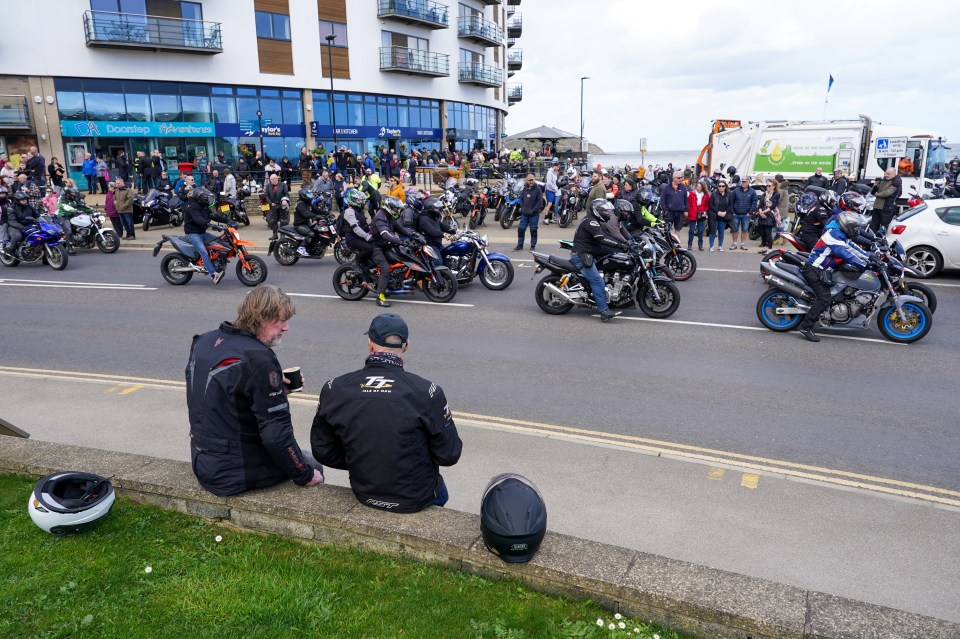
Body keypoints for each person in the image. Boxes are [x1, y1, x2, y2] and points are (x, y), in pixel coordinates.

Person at [311, 313, 461, 512]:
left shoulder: (334, 388)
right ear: (405, 346)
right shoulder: (428, 392)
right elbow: (449, 455)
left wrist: (363, 461)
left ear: (370, 344)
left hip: (364, 492)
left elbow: (323, 450)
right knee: (441, 490)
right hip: (416, 497)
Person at [186, 285, 324, 496]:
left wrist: (276, 392)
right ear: (262, 318)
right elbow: (276, 434)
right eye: (281, 320)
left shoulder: (203, 342)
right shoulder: (258, 358)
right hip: (232, 472)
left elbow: (221, 400)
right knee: (311, 463)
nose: (286, 327)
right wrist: (305, 475)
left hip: (203, 460)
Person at [797, 210, 870, 343]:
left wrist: (870, 257)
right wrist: (865, 264)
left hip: (824, 270)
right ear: (847, 226)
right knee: (825, 299)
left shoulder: (842, 234)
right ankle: (805, 327)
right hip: (815, 270)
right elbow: (846, 254)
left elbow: (853, 248)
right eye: (855, 227)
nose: (857, 230)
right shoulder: (834, 235)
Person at [571, 199, 628, 322]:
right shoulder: (591, 222)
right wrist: (620, 246)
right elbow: (601, 238)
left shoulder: (596, 221)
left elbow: (608, 236)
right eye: (605, 211)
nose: (608, 213)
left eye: (608, 210)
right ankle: (604, 311)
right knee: (597, 281)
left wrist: (626, 243)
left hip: (590, 253)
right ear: (598, 211)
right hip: (581, 255)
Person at [341, 190, 390, 308]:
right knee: (368, 248)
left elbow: (364, 225)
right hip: (352, 238)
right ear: (353, 200)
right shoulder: (349, 212)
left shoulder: (359, 210)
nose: (362, 202)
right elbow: (356, 228)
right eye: (359, 200)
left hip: (359, 236)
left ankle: (370, 269)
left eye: (362, 200)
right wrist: (368, 236)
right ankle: (357, 263)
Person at [183, 187, 229, 284]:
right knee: (204, 252)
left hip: (202, 233)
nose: (208, 200)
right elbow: (198, 219)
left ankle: (217, 261)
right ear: (200, 198)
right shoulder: (193, 206)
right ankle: (214, 275)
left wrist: (229, 221)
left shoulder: (203, 207)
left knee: (220, 240)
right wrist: (209, 225)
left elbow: (214, 215)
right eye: (206, 198)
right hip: (193, 234)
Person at [513, 174, 544, 251]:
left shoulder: (538, 189)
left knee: (533, 230)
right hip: (525, 214)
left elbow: (540, 202)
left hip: (534, 214)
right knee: (520, 229)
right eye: (530, 180)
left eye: (532, 180)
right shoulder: (525, 189)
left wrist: (533, 210)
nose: (531, 181)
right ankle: (520, 245)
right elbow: (521, 199)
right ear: (527, 180)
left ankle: (532, 246)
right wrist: (522, 208)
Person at [2, 189, 36, 256]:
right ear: (17, 201)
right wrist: (22, 227)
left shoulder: (30, 206)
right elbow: (12, 221)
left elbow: (38, 216)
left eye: (25, 199)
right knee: (17, 236)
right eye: (22, 200)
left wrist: (47, 222)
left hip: (29, 225)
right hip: (14, 226)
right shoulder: (11, 208)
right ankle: (9, 248)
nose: (24, 201)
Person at [729, 176, 758, 250]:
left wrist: (750, 212)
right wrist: (732, 212)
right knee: (734, 229)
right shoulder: (736, 191)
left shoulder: (752, 191)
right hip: (736, 214)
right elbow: (731, 202)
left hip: (746, 214)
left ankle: (743, 244)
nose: (743, 183)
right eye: (742, 181)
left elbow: (754, 202)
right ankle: (734, 243)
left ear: (748, 182)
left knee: (745, 230)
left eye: (745, 181)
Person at [869, 166, 902, 232]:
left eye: (888, 174)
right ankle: (871, 239)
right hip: (877, 206)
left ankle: (883, 240)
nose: (886, 175)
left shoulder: (896, 182)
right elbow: (872, 192)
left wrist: (876, 194)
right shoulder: (883, 180)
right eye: (885, 173)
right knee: (873, 225)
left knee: (884, 226)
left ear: (894, 174)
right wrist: (875, 184)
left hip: (887, 208)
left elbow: (886, 193)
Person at [707, 180, 732, 251]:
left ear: (725, 187)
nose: (721, 187)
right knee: (712, 231)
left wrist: (725, 212)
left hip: (723, 217)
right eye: (719, 186)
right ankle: (711, 246)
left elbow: (730, 205)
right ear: (718, 187)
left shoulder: (729, 195)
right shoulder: (714, 194)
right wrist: (717, 212)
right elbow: (710, 204)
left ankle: (720, 246)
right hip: (714, 216)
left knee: (721, 232)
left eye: (723, 186)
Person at [756, 180, 780, 252]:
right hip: (762, 214)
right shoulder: (764, 194)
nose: (767, 187)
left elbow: (773, 205)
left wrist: (764, 211)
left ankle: (770, 248)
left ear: (773, 187)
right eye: (767, 186)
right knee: (762, 232)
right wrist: (760, 211)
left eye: (769, 186)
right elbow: (760, 204)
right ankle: (764, 246)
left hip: (770, 214)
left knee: (768, 232)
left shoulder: (776, 194)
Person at [263, 173, 288, 239]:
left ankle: (282, 235)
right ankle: (275, 234)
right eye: (270, 179)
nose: (270, 181)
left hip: (281, 205)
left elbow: (286, 194)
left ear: (275, 179)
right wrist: (270, 203)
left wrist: (284, 200)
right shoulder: (268, 186)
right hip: (273, 205)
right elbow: (266, 195)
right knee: (272, 221)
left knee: (283, 221)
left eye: (271, 180)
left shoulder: (283, 185)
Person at [686, 181, 710, 251]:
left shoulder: (706, 195)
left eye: (700, 187)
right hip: (693, 213)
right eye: (697, 187)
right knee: (691, 230)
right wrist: (688, 212)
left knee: (700, 230)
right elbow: (689, 204)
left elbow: (707, 205)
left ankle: (700, 245)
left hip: (701, 214)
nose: (698, 188)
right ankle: (689, 245)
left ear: (703, 187)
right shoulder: (692, 194)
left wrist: (705, 211)